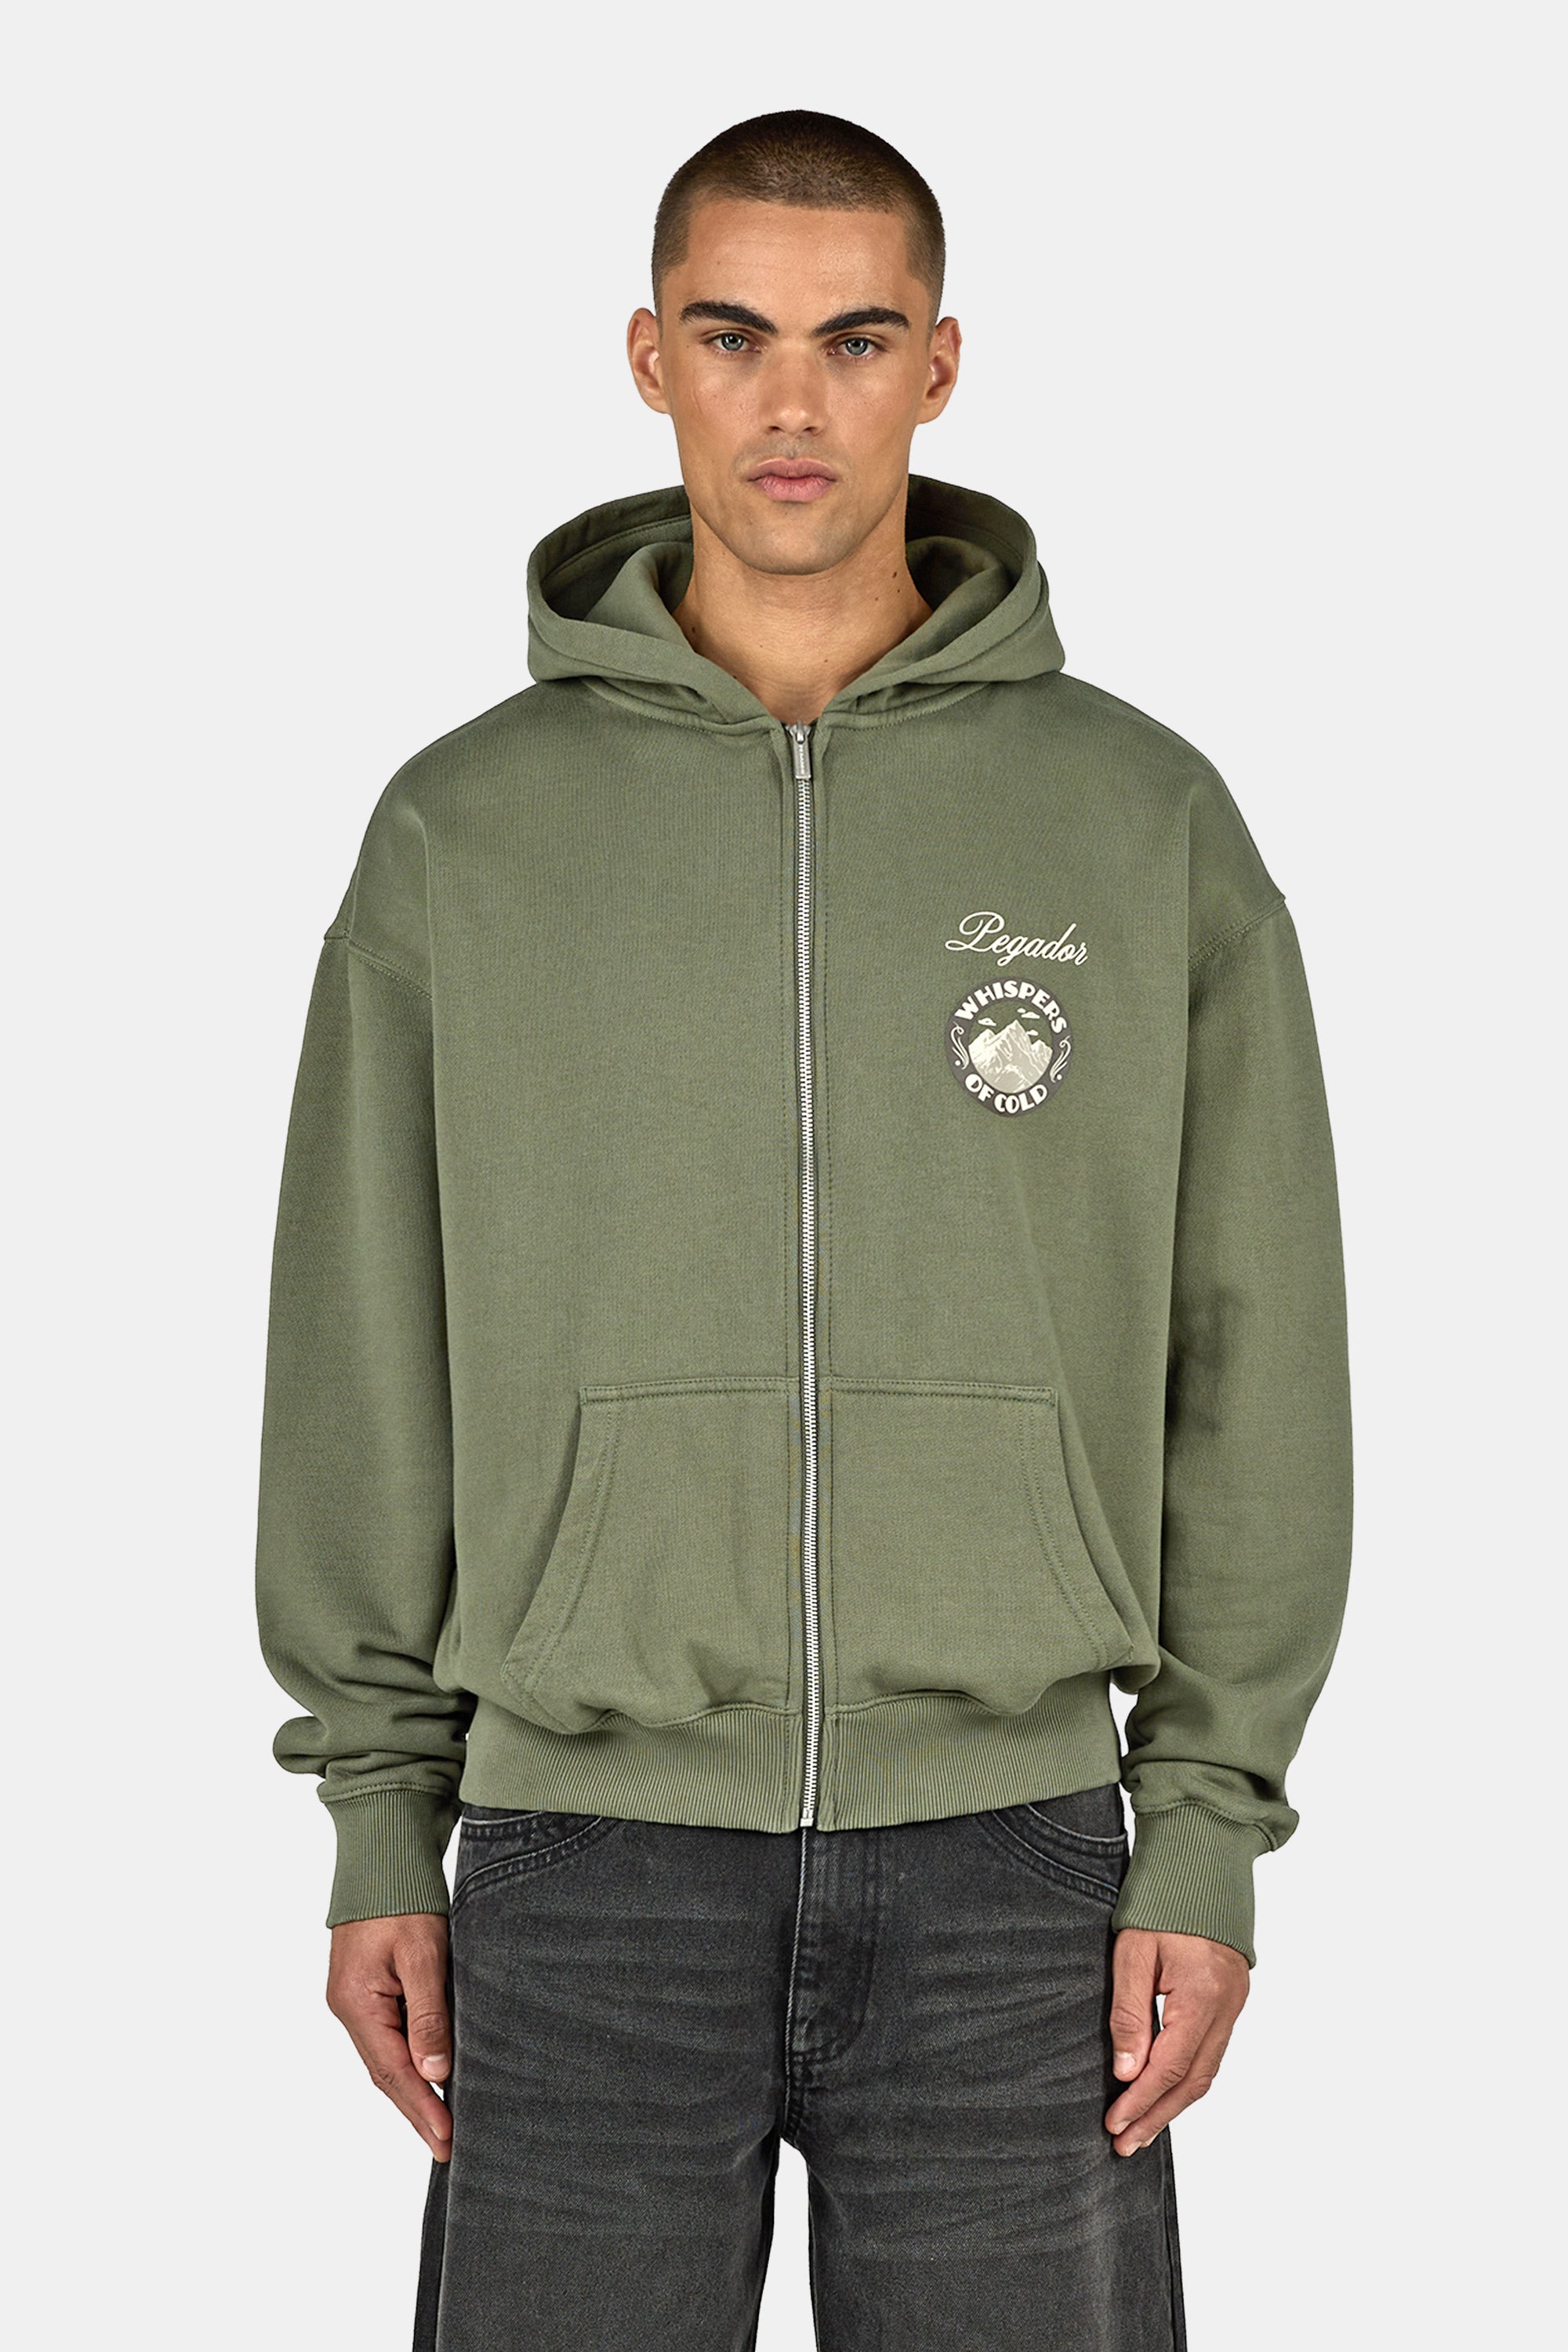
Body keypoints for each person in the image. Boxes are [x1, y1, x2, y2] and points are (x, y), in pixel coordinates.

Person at [255, 108, 1353, 2351]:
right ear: (647, 356)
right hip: (580, 1871)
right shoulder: (466, 831)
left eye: (854, 340)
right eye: (734, 334)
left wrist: (1206, 1824)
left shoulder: (1138, 820)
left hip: (1021, 1870)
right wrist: (382, 1818)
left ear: (939, 365)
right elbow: (365, 1342)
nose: (791, 402)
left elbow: (1255, 1351)